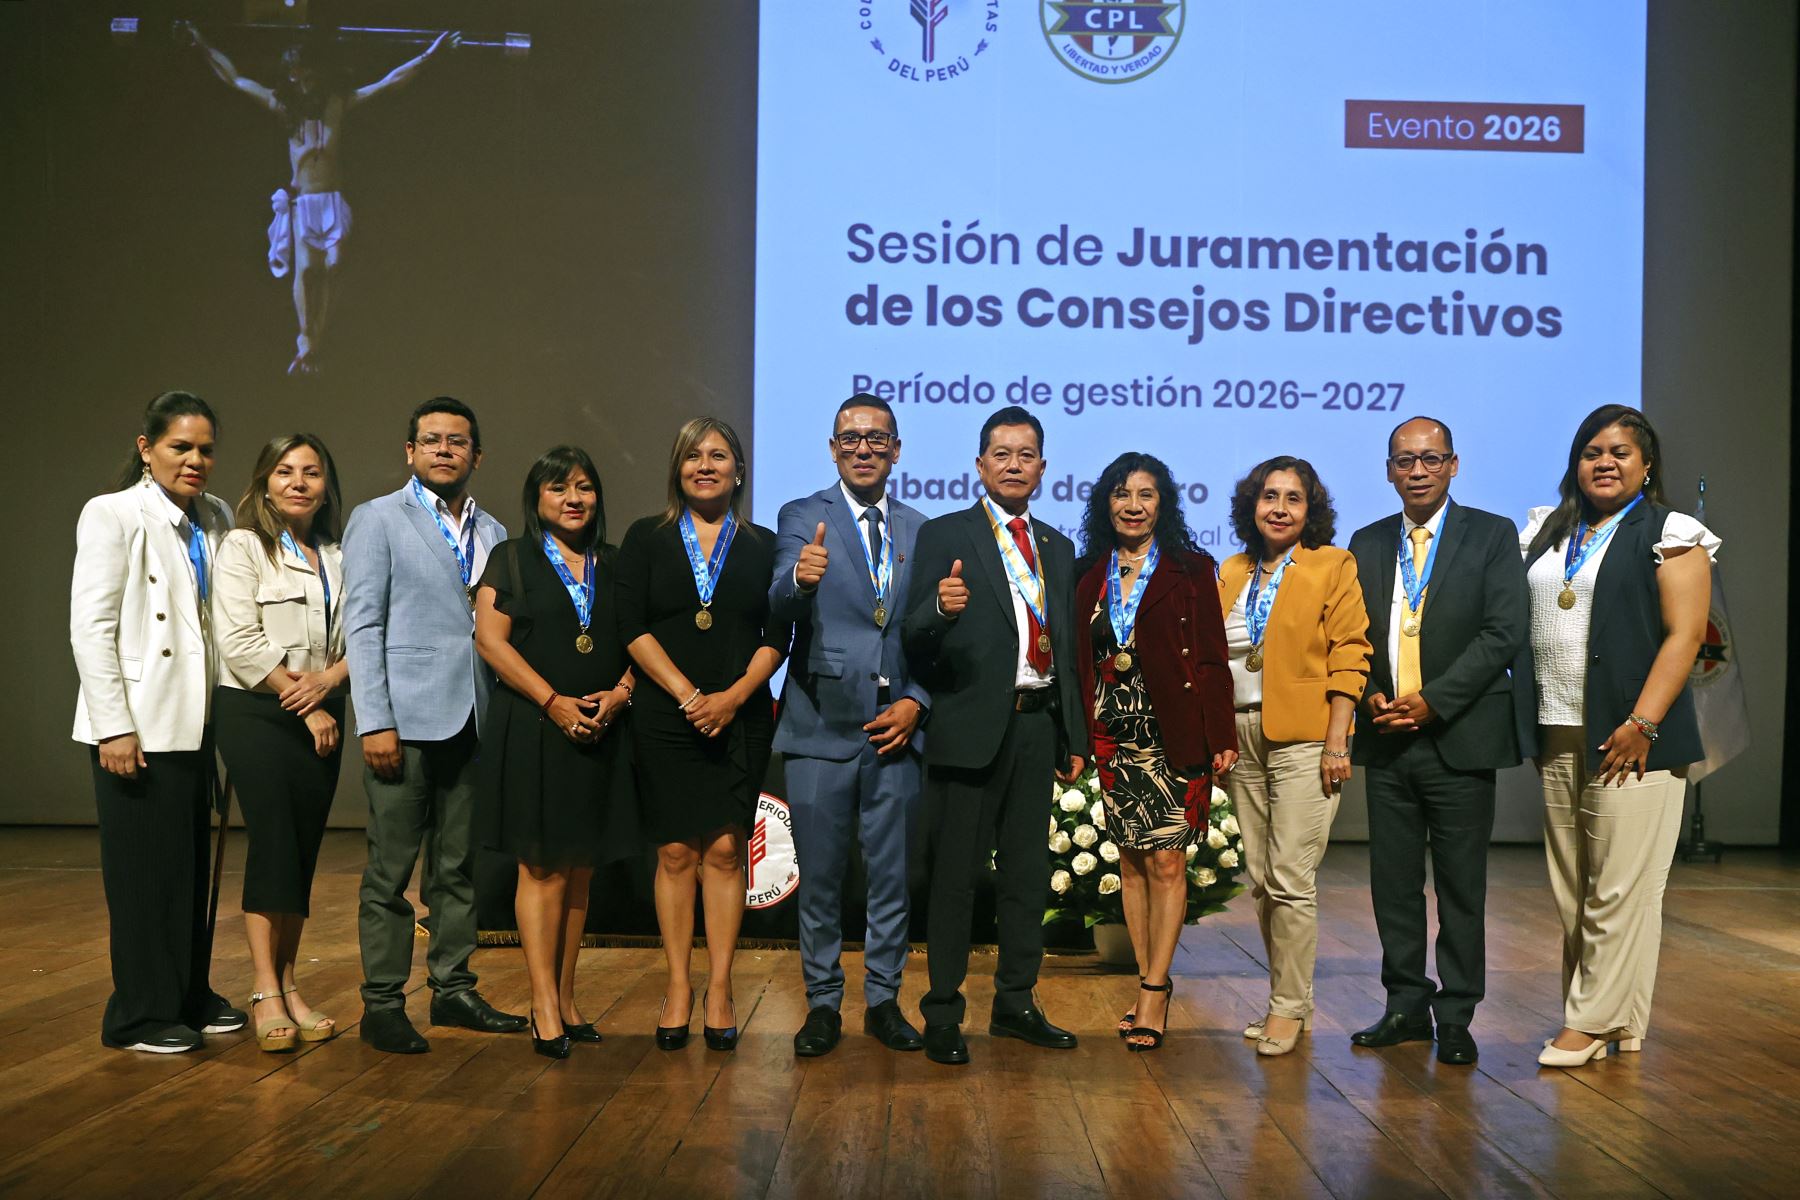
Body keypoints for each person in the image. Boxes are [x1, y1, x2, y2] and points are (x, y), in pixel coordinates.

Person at [1515, 404, 1716, 1068]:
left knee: (1618, 889)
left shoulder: (1673, 531)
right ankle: (1619, 1019)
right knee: (1575, 887)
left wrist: (1643, 724)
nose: (1605, 462)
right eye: (1592, 451)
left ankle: (1590, 1021)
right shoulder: (1550, 532)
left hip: (1633, 737)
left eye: (1621, 452)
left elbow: (1686, 636)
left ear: (1647, 464)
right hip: (1559, 727)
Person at [902, 405, 1089, 1066]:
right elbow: (911, 636)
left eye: (1026, 454)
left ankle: (1015, 1003)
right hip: (966, 729)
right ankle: (944, 1013)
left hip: (1036, 727)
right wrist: (935, 610)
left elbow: (1065, 649)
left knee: (1026, 878)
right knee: (954, 878)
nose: (1014, 464)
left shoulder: (1059, 549)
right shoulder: (946, 534)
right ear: (980, 465)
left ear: (1043, 467)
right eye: (1001, 453)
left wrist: (1075, 736)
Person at [341, 396, 525, 1054]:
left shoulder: (496, 532)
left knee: (457, 870)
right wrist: (375, 720)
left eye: (458, 441)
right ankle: (383, 1003)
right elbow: (361, 624)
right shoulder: (377, 519)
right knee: (389, 873)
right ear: (409, 452)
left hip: (472, 721)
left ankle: (453, 991)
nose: (445, 449)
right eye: (432, 440)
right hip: (404, 724)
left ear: (478, 455)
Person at [1345, 418, 1529, 1067]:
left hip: (1460, 735)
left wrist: (1434, 701)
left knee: (1460, 888)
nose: (1417, 470)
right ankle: (1404, 1006)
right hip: (1388, 738)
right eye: (1405, 460)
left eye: (1430, 459)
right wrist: (1368, 690)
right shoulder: (1366, 542)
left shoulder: (1492, 535)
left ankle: (1455, 1015)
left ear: (1454, 465)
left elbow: (1503, 632)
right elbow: (1351, 634)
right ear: (1389, 470)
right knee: (1392, 885)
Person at [70, 391, 246, 1052]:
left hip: (194, 718)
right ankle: (139, 1014)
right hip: (137, 724)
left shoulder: (217, 515)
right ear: (147, 449)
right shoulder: (113, 514)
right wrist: (114, 725)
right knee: (143, 874)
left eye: (204, 449)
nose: (195, 460)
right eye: (180, 447)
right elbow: (91, 627)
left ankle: (187, 993)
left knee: (186, 867)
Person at [616, 418, 787, 1052]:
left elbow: (778, 636)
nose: (705, 465)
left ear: (739, 470)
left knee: (723, 851)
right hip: (665, 715)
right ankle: (678, 986)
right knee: (674, 855)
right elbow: (628, 625)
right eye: (693, 456)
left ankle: (720, 986)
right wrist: (689, 696)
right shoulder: (647, 538)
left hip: (740, 712)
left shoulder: (764, 544)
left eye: (719, 455)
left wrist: (733, 697)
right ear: (677, 469)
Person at [770, 394, 930, 1058]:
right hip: (819, 727)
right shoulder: (804, 516)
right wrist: (801, 582)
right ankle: (823, 1004)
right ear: (833, 449)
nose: (862, 448)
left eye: (876, 438)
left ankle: (886, 1001)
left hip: (896, 731)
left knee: (891, 877)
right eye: (849, 438)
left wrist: (917, 700)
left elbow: (932, 639)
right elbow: (777, 597)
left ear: (896, 450)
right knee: (824, 877)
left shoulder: (923, 529)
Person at [473, 447, 637, 1059]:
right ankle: (542, 1003)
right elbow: (490, 641)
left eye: (585, 487)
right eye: (558, 488)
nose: (573, 498)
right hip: (536, 729)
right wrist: (554, 702)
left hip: (602, 732)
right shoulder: (509, 558)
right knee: (541, 869)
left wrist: (621, 694)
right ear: (535, 498)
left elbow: (641, 641)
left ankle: (567, 999)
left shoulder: (615, 563)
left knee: (579, 872)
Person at [178, 22, 462, 375]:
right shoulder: (283, 106)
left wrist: (430, 53)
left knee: (333, 264)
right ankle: (306, 340)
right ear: (293, 77)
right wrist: (201, 44)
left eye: (309, 74)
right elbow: (234, 79)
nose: (304, 80)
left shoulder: (337, 103)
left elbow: (390, 81)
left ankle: (317, 338)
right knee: (308, 269)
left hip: (331, 198)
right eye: (298, 75)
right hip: (304, 201)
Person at [1074, 452, 1237, 1052]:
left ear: (1163, 504)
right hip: (1113, 739)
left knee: (1167, 862)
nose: (1133, 505)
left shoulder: (1191, 569)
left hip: (1172, 735)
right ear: (1106, 503)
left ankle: (1154, 990)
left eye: (1146, 494)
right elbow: (1079, 664)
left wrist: (1221, 734)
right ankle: (1148, 982)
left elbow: (1215, 657)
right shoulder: (1088, 573)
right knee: (1133, 862)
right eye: (1121, 494)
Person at [1217, 456, 1370, 1056]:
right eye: (1268, 496)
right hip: (1240, 736)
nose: (1279, 508)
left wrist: (1338, 737)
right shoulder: (1230, 571)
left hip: (1307, 737)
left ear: (1311, 511)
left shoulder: (1331, 565)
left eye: (1293, 498)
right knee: (1261, 880)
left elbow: (1350, 652)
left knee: (1289, 877)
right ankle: (1292, 999)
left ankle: (1286, 1008)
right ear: (1251, 505)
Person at [212, 434, 349, 1052]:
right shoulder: (244, 546)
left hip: (323, 705)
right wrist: (306, 702)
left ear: (326, 485)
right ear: (264, 481)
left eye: (311, 472)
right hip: (259, 711)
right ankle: (265, 990)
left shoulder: (340, 553)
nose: (298, 482)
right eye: (285, 471)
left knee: (301, 850)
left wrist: (327, 685)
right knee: (273, 843)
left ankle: (292, 985)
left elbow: (360, 639)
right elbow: (238, 639)